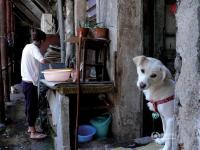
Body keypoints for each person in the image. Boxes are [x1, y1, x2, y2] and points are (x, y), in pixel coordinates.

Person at [21, 29, 48, 139]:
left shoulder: (27, 46)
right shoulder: (34, 48)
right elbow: (42, 61)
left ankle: (30, 127)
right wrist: (51, 64)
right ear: (41, 41)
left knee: (28, 106)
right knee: (32, 107)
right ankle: (33, 133)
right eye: (43, 42)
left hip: (25, 82)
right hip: (30, 83)